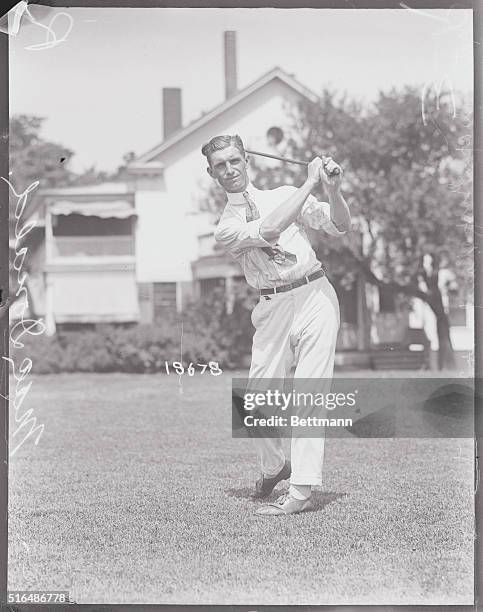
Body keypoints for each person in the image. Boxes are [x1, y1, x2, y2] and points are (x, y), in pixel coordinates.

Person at [201, 134, 351, 516]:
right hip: (273, 306)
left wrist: (332, 190)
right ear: (212, 173)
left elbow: (339, 225)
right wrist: (309, 183)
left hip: (315, 294)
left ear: (246, 159)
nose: (230, 169)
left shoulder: (283, 193)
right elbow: (268, 230)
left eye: (235, 160)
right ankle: (274, 467)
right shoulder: (227, 225)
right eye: (221, 165)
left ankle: (300, 491)